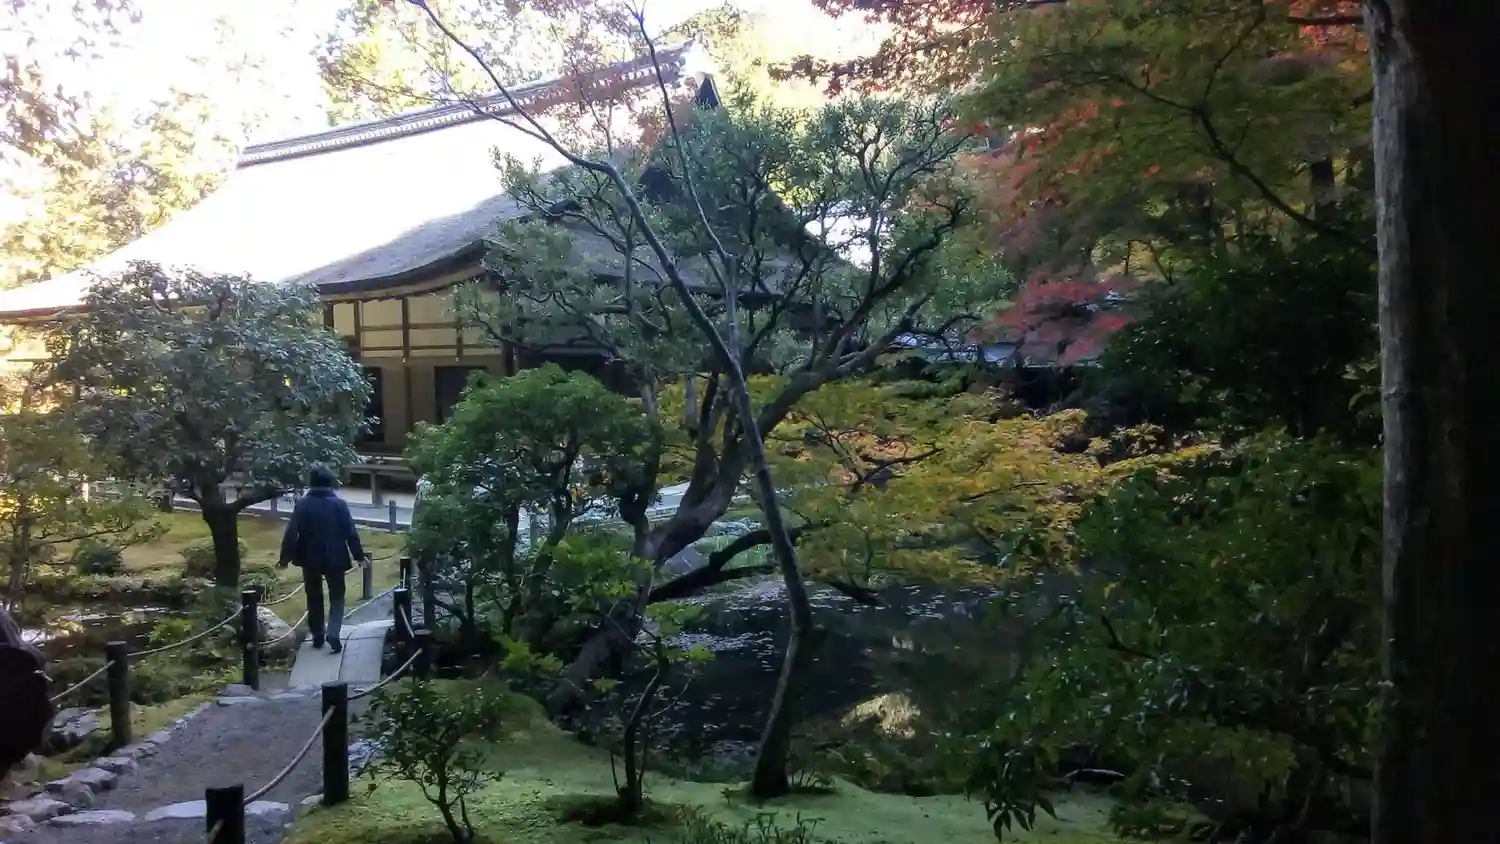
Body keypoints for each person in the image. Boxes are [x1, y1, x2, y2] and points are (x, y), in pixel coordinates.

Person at [277, 465, 370, 654]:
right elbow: (350, 532)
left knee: (313, 596)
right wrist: (359, 556)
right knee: (337, 595)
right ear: (330, 483)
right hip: (335, 556)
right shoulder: (339, 505)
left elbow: (291, 533)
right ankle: (333, 632)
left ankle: (318, 634)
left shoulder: (303, 504)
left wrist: (285, 558)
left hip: (309, 557)